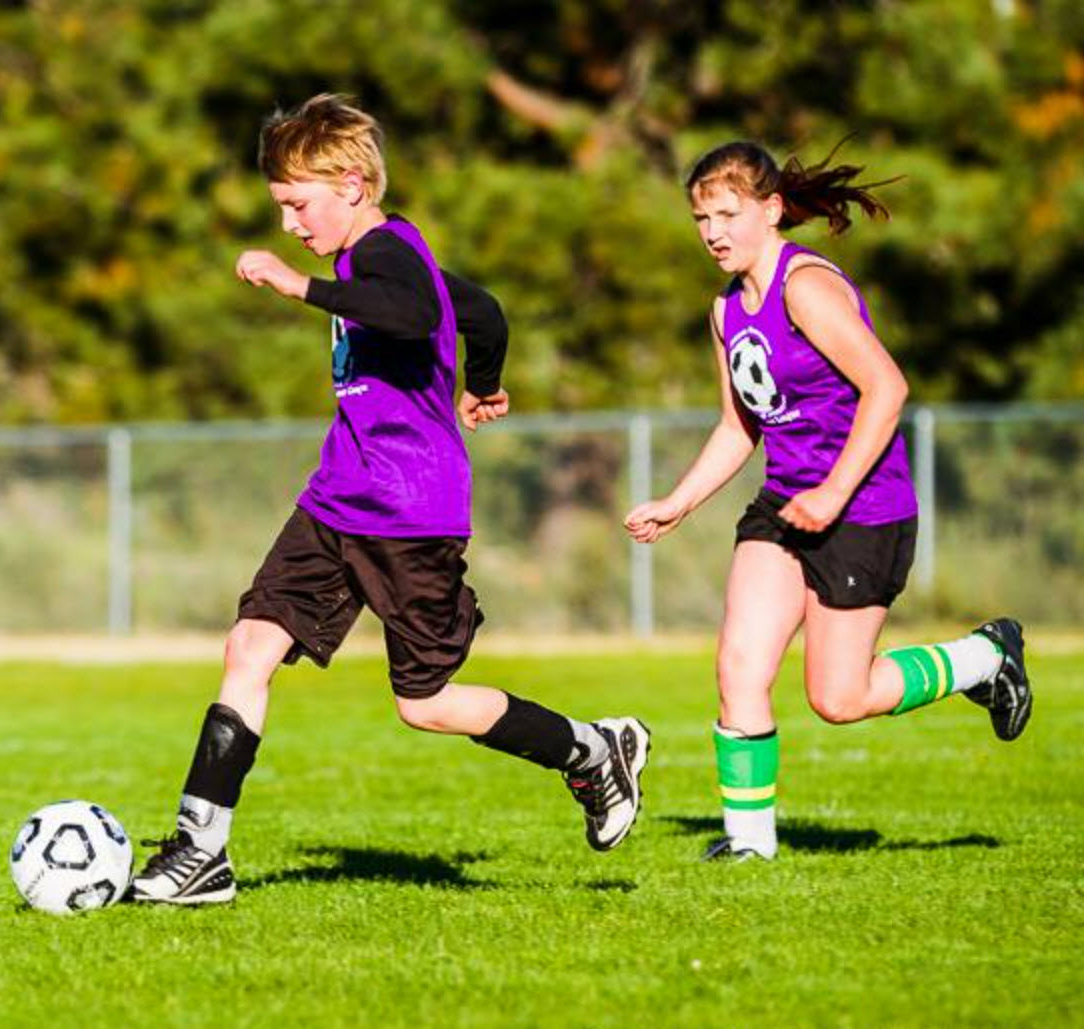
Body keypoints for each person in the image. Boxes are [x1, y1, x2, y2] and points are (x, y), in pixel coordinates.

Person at [129, 95, 651, 905]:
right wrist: (484, 383)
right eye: (281, 210)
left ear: (354, 183)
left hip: (412, 512)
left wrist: (298, 287)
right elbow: (480, 311)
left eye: (299, 205)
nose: (292, 224)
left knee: (427, 703)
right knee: (249, 646)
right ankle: (202, 850)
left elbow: (410, 311)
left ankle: (590, 749)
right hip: (339, 496)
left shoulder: (385, 252)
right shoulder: (367, 259)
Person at [623, 141, 1032, 861]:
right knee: (739, 664)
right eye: (700, 217)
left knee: (839, 698)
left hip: (865, 509)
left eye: (728, 212)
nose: (713, 230)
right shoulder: (726, 312)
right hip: (785, 506)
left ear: (772, 209)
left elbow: (888, 388)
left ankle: (984, 658)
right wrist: (677, 502)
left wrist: (835, 489)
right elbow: (736, 426)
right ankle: (749, 848)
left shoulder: (806, 288)